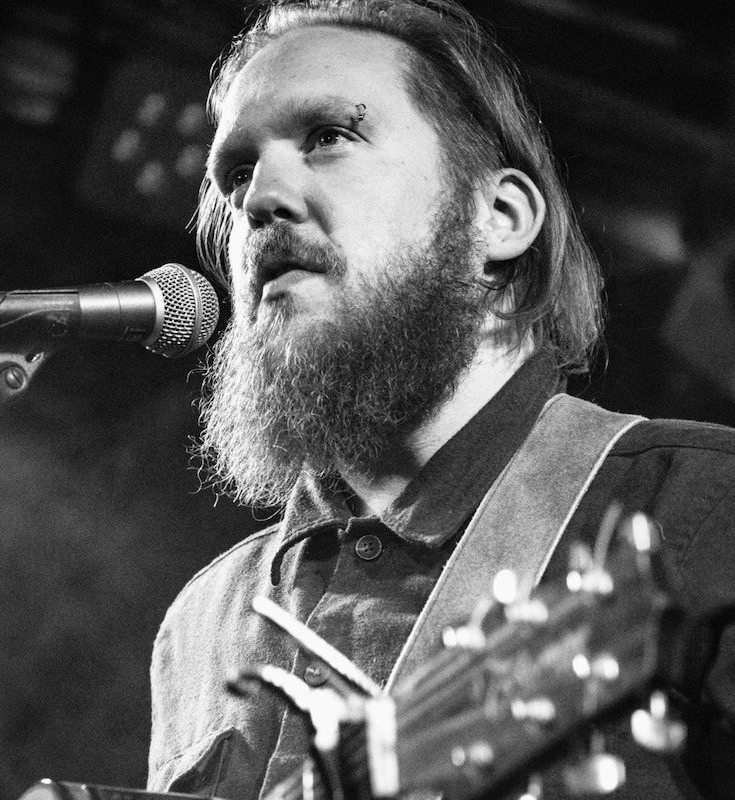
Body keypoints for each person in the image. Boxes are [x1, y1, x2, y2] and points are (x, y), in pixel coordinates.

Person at [148, 1, 735, 798]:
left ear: (499, 218)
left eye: (329, 136)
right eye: (237, 175)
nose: (259, 201)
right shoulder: (201, 626)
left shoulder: (701, 511)